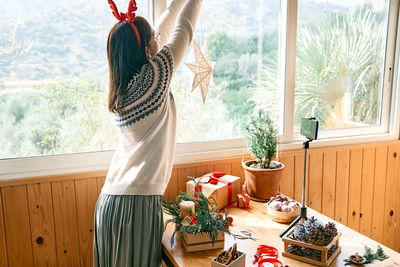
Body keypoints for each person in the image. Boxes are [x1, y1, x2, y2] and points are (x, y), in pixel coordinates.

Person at [93, 0, 202, 266]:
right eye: (153, 38)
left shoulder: (122, 91)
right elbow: (183, 31)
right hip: (136, 205)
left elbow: (160, 32)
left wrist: (175, 4)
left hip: (109, 204)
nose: (158, 39)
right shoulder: (154, 78)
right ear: (145, 49)